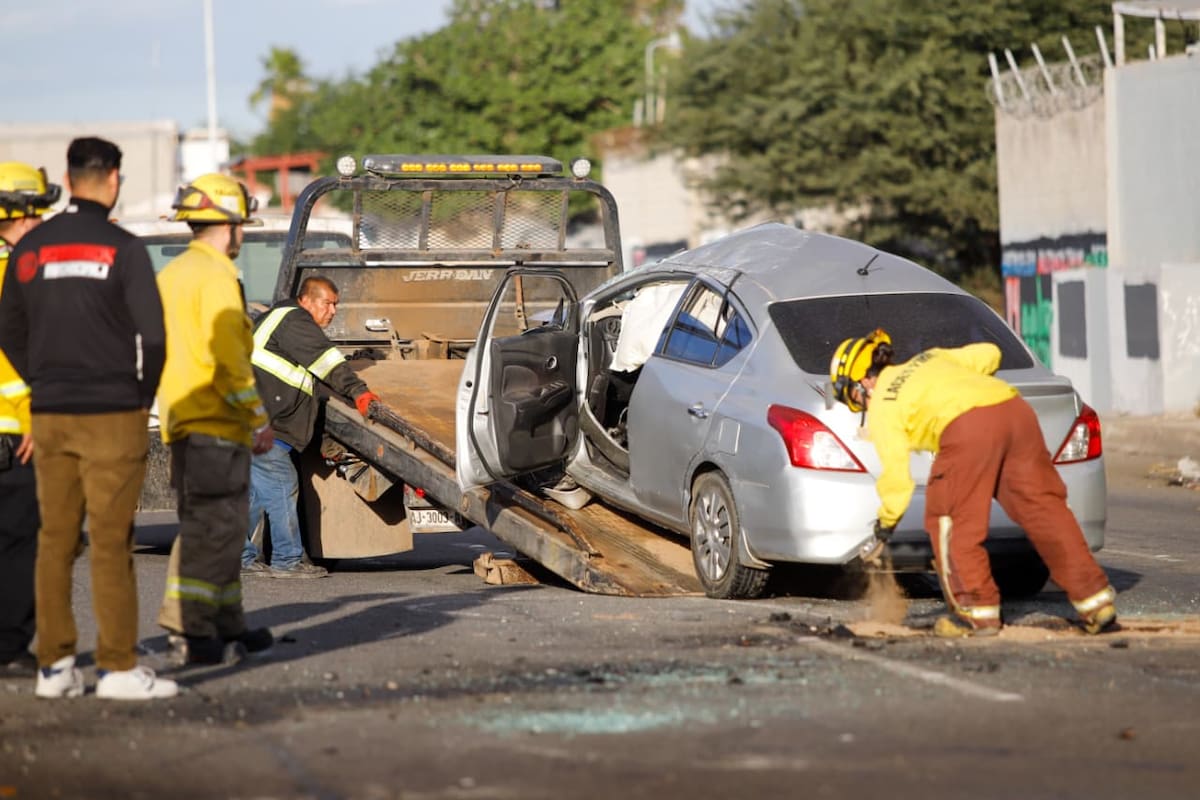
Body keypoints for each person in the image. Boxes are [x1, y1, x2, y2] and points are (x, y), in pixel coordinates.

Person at [0, 137, 176, 699]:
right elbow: (154, 336)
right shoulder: (124, 248)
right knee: (109, 540)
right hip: (113, 412)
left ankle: (53, 669)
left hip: (51, 414)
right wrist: (141, 396)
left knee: (54, 540)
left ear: (70, 178)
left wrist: (41, 383)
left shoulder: (30, 249)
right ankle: (118, 668)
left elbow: (9, 332)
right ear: (114, 179)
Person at [829, 328, 1117, 638]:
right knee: (1045, 511)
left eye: (853, 398)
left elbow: (897, 480)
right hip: (1014, 412)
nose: (860, 407)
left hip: (967, 429)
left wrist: (885, 525)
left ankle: (975, 612)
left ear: (864, 382)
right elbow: (990, 353)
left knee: (949, 520)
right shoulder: (930, 359)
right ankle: (1096, 602)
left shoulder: (884, 404)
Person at [154, 174, 277, 666]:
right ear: (230, 225)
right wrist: (258, 418)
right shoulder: (218, 277)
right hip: (216, 424)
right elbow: (229, 359)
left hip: (184, 421)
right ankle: (191, 629)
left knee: (221, 529)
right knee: (212, 530)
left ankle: (228, 623)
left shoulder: (172, 275)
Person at [245, 275, 380, 577]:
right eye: (327, 303)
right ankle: (287, 561)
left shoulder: (279, 319)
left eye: (336, 305)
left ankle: (240, 558)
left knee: (255, 493)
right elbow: (326, 362)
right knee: (281, 484)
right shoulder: (296, 320)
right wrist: (358, 392)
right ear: (305, 300)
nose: (332, 311)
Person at [0, 162, 61, 678]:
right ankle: (9, 649)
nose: (42, 222)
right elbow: (16, 356)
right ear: (18, 213)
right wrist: (33, 413)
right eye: (38, 211)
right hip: (13, 433)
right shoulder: (17, 272)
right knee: (19, 545)